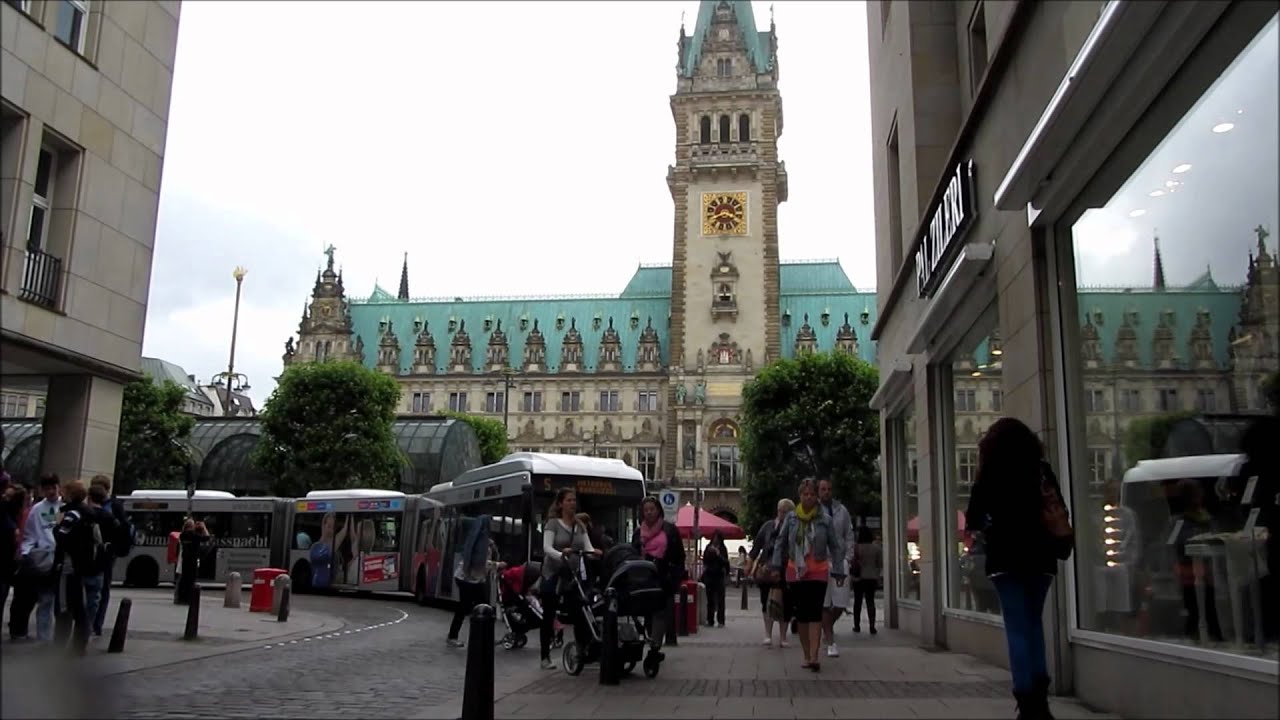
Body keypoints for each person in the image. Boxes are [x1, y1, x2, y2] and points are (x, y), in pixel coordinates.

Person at [965, 417, 1068, 720]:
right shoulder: (1041, 470)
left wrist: (992, 526)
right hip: (1041, 557)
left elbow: (973, 517)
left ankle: (1026, 700)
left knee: (1017, 628)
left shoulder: (991, 473)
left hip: (1006, 558)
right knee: (1034, 624)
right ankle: (1041, 699)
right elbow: (1059, 507)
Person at [771, 479, 844, 672]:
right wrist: (776, 566)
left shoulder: (825, 520)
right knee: (801, 614)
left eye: (812, 494)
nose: (809, 497)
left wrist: (838, 569)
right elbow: (780, 542)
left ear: (816, 496)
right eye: (805, 494)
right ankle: (805, 654)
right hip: (796, 571)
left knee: (815, 612)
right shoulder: (792, 518)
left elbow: (835, 546)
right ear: (800, 496)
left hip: (818, 571)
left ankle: (814, 655)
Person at [539, 489, 598, 670]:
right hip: (553, 574)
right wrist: (560, 554)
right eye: (569, 500)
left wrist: (594, 553)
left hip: (572, 576)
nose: (572, 503)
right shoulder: (552, 524)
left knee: (580, 610)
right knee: (548, 614)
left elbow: (588, 547)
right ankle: (545, 656)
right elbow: (547, 548)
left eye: (574, 500)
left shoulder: (580, 525)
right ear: (560, 504)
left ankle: (582, 649)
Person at [9, 474, 61, 643]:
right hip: (42, 558)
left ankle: (49, 636)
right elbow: (29, 534)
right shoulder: (37, 509)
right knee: (42, 599)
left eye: (53, 488)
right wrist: (27, 552)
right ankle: (43, 637)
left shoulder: (64, 506)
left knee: (52, 601)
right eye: (47, 489)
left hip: (59, 558)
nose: (51, 492)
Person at [632, 496, 684, 657]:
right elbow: (633, 553)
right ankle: (651, 640)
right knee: (647, 612)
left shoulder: (669, 529)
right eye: (646, 510)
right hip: (644, 577)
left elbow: (679, 556)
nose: (649, 513)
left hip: (663, 577)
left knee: (660, 613)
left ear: (658, 510)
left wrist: (674, 578)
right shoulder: (638, 532)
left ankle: (655, 648)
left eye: (652, 509)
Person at [447, 514, 505, 647]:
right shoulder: (479, 541)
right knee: (469, 607)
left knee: (480, 607)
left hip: (474, 579)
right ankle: (454, 636)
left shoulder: (484, 540)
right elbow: (479, 563)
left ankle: (484, 636)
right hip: (467, 579)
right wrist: (497, 565)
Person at [748, 498, 793, 648]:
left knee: (786, 603)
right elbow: (757, 547)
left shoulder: (793, 528)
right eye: (780, 510)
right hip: (767, 569)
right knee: (766, 601)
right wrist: (750, 563)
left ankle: (783, 637)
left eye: (786, 511)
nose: (782, 514)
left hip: (786, 570)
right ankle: (768, 634)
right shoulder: (768, 526)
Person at [817, 478, 854, 657]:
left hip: (840, 561)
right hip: (822, 561)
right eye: (823, 489)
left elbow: (849, 534)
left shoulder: (842, 511)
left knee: (841, 602)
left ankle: (826, 627)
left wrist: (848, 557)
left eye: (829, 489)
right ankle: (830, 641)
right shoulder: (815, 511)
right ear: (818, 491)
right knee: (824, 602)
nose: (826, 492)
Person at [90, 475, 130, 638]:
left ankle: (96, 624)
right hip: (90, 551)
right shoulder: (93, 506)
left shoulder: (114, 506)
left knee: (103, 588)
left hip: (106, 552)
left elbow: (122, 529)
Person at [850, 526, 882, 634]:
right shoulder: (876, 548)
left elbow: (852, 562)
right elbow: (879, 564)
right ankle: (872, 626)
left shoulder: (856, 548)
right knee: (870, 601)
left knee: (857, 602)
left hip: (858, 578)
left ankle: (857, 625)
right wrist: (877, 575)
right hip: (871, 577)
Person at [701, 530, 729, 627]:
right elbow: (705, 561)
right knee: (710, 599)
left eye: (717, 539)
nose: (715, 541)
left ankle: (721, 621)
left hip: (719, 576)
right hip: (709, 576)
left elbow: (726, 562)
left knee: (721, 599)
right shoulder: (708, 548)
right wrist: (710, 554)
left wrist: (718, 554)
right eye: (714, 539)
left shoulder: (722, 549)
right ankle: (710, 620)